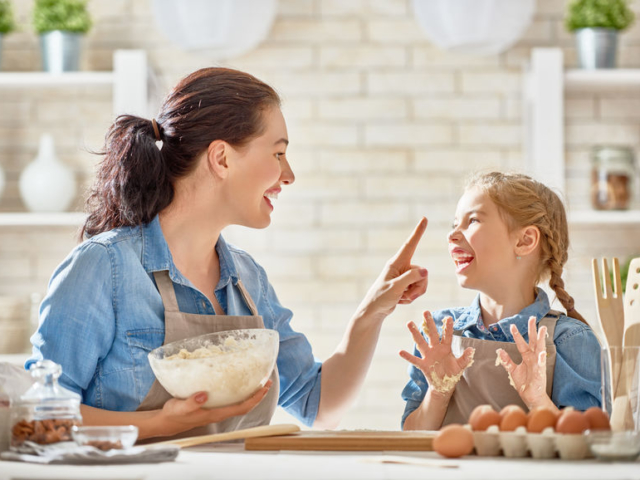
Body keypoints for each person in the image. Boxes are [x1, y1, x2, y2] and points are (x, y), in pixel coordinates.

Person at [27, 67, 429, 440]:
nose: (288, 174)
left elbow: (317, 406)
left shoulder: (248, 279)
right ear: (221, 158)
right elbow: (39, 417)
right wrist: (159, 422)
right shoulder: (104, 267)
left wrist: (371, 313)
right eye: (277, 153)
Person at [400, 172, 601, 431]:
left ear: (525, 240)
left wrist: (538, 400)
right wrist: (438, 393)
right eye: (454, 224)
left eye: (472, 221)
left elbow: (586, 444)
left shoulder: (570, 339)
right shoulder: (440, 333)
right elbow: (410, 436)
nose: (452, 236)